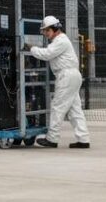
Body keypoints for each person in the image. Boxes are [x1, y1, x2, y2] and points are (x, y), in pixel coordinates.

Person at [25, 16, 90, 148]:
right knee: (74, 110)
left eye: (47, 30)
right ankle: (83, 139)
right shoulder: (60, 40)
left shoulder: (61, 41)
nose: (45, 33)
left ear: (55, 29)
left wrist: (32, 49)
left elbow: (47, 54)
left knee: (57, 107)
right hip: (72, 75)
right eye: (44, 31)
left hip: (66, 76)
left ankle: (52, 139)